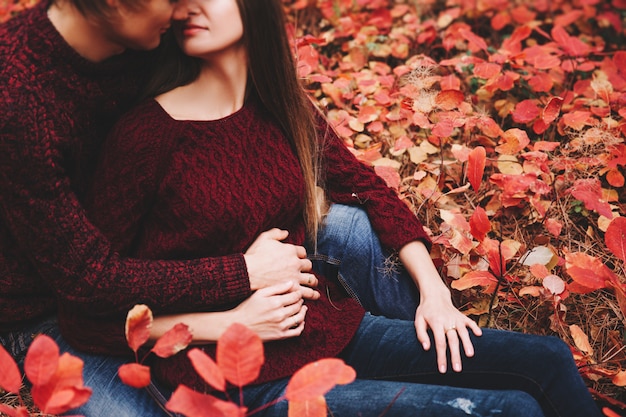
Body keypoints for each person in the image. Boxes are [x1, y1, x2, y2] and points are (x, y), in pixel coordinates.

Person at [59, 0, 604, 416]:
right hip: (238, 383)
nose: (188, 7)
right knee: (509, 411)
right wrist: (226, 324)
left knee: (548, 361)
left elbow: (368, 190)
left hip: (330, 330)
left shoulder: (281, 110)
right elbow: (92, 311)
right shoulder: (145, 136)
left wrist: (435, 297)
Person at [0, 0, 357, 415]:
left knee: (352, 227)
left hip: (164, 250)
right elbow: (89, 283)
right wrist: (243, 274)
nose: (183, 10)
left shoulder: (145, 33)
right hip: (54, 309)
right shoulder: (18, 99)